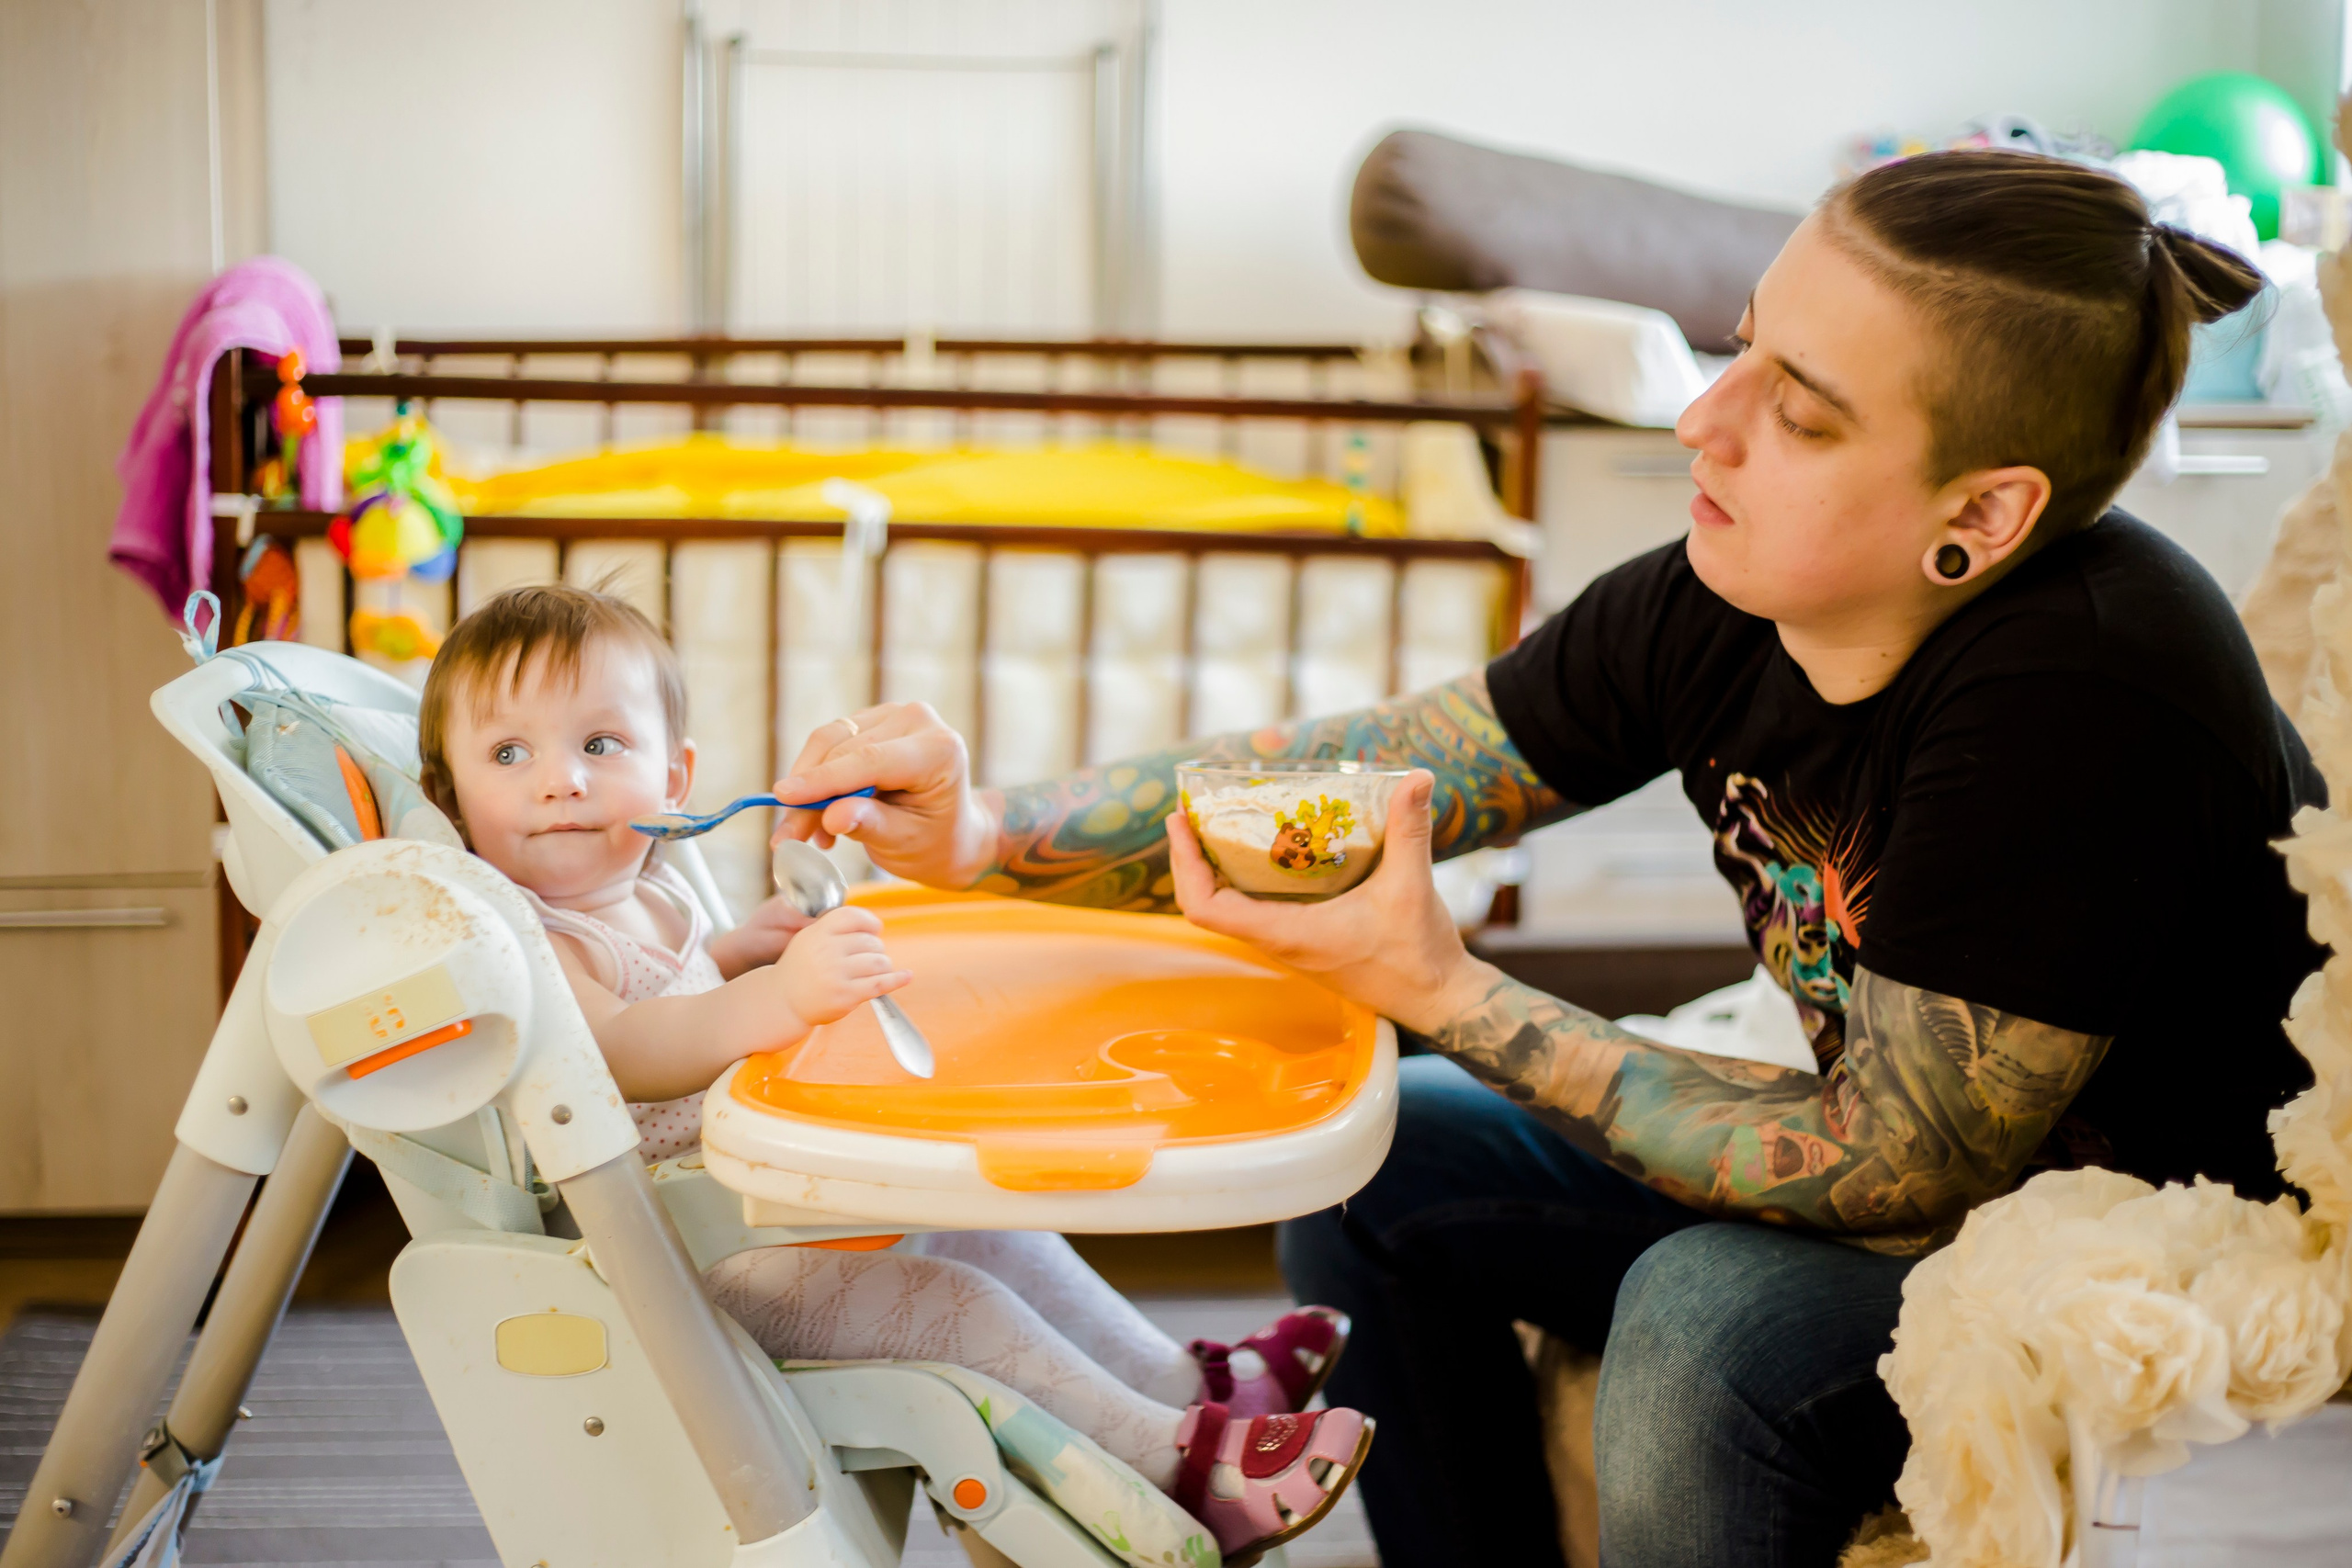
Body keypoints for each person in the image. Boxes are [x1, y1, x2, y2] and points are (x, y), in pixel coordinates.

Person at [763, 150, 2318, 1566]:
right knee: (1381, 1158)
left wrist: (1443, 987)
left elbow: (1901, 1163)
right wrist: (983, 833)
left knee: (1700, 1321)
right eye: (1740, 347)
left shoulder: (2089, 687)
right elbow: (1390, 767)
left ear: (1982, 509)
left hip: (2121, 1220)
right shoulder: (1723, 591)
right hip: (1915, 1149)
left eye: (1801, 411)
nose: (1704, 419)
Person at [413, 583, 1373, 1562]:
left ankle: (1190, 1387)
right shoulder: (528, 939)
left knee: (993, 1227)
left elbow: (677, 985)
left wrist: (740, 953)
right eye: (508, 755)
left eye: (600, 743)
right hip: (680, 1267)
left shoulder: (649, 895)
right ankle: (1185, 1472)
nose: (562, 781)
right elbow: (626, 1045)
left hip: (754, 1210)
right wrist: (778, 998)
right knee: (959, 1307)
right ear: (450, 801)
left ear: (675, 775)